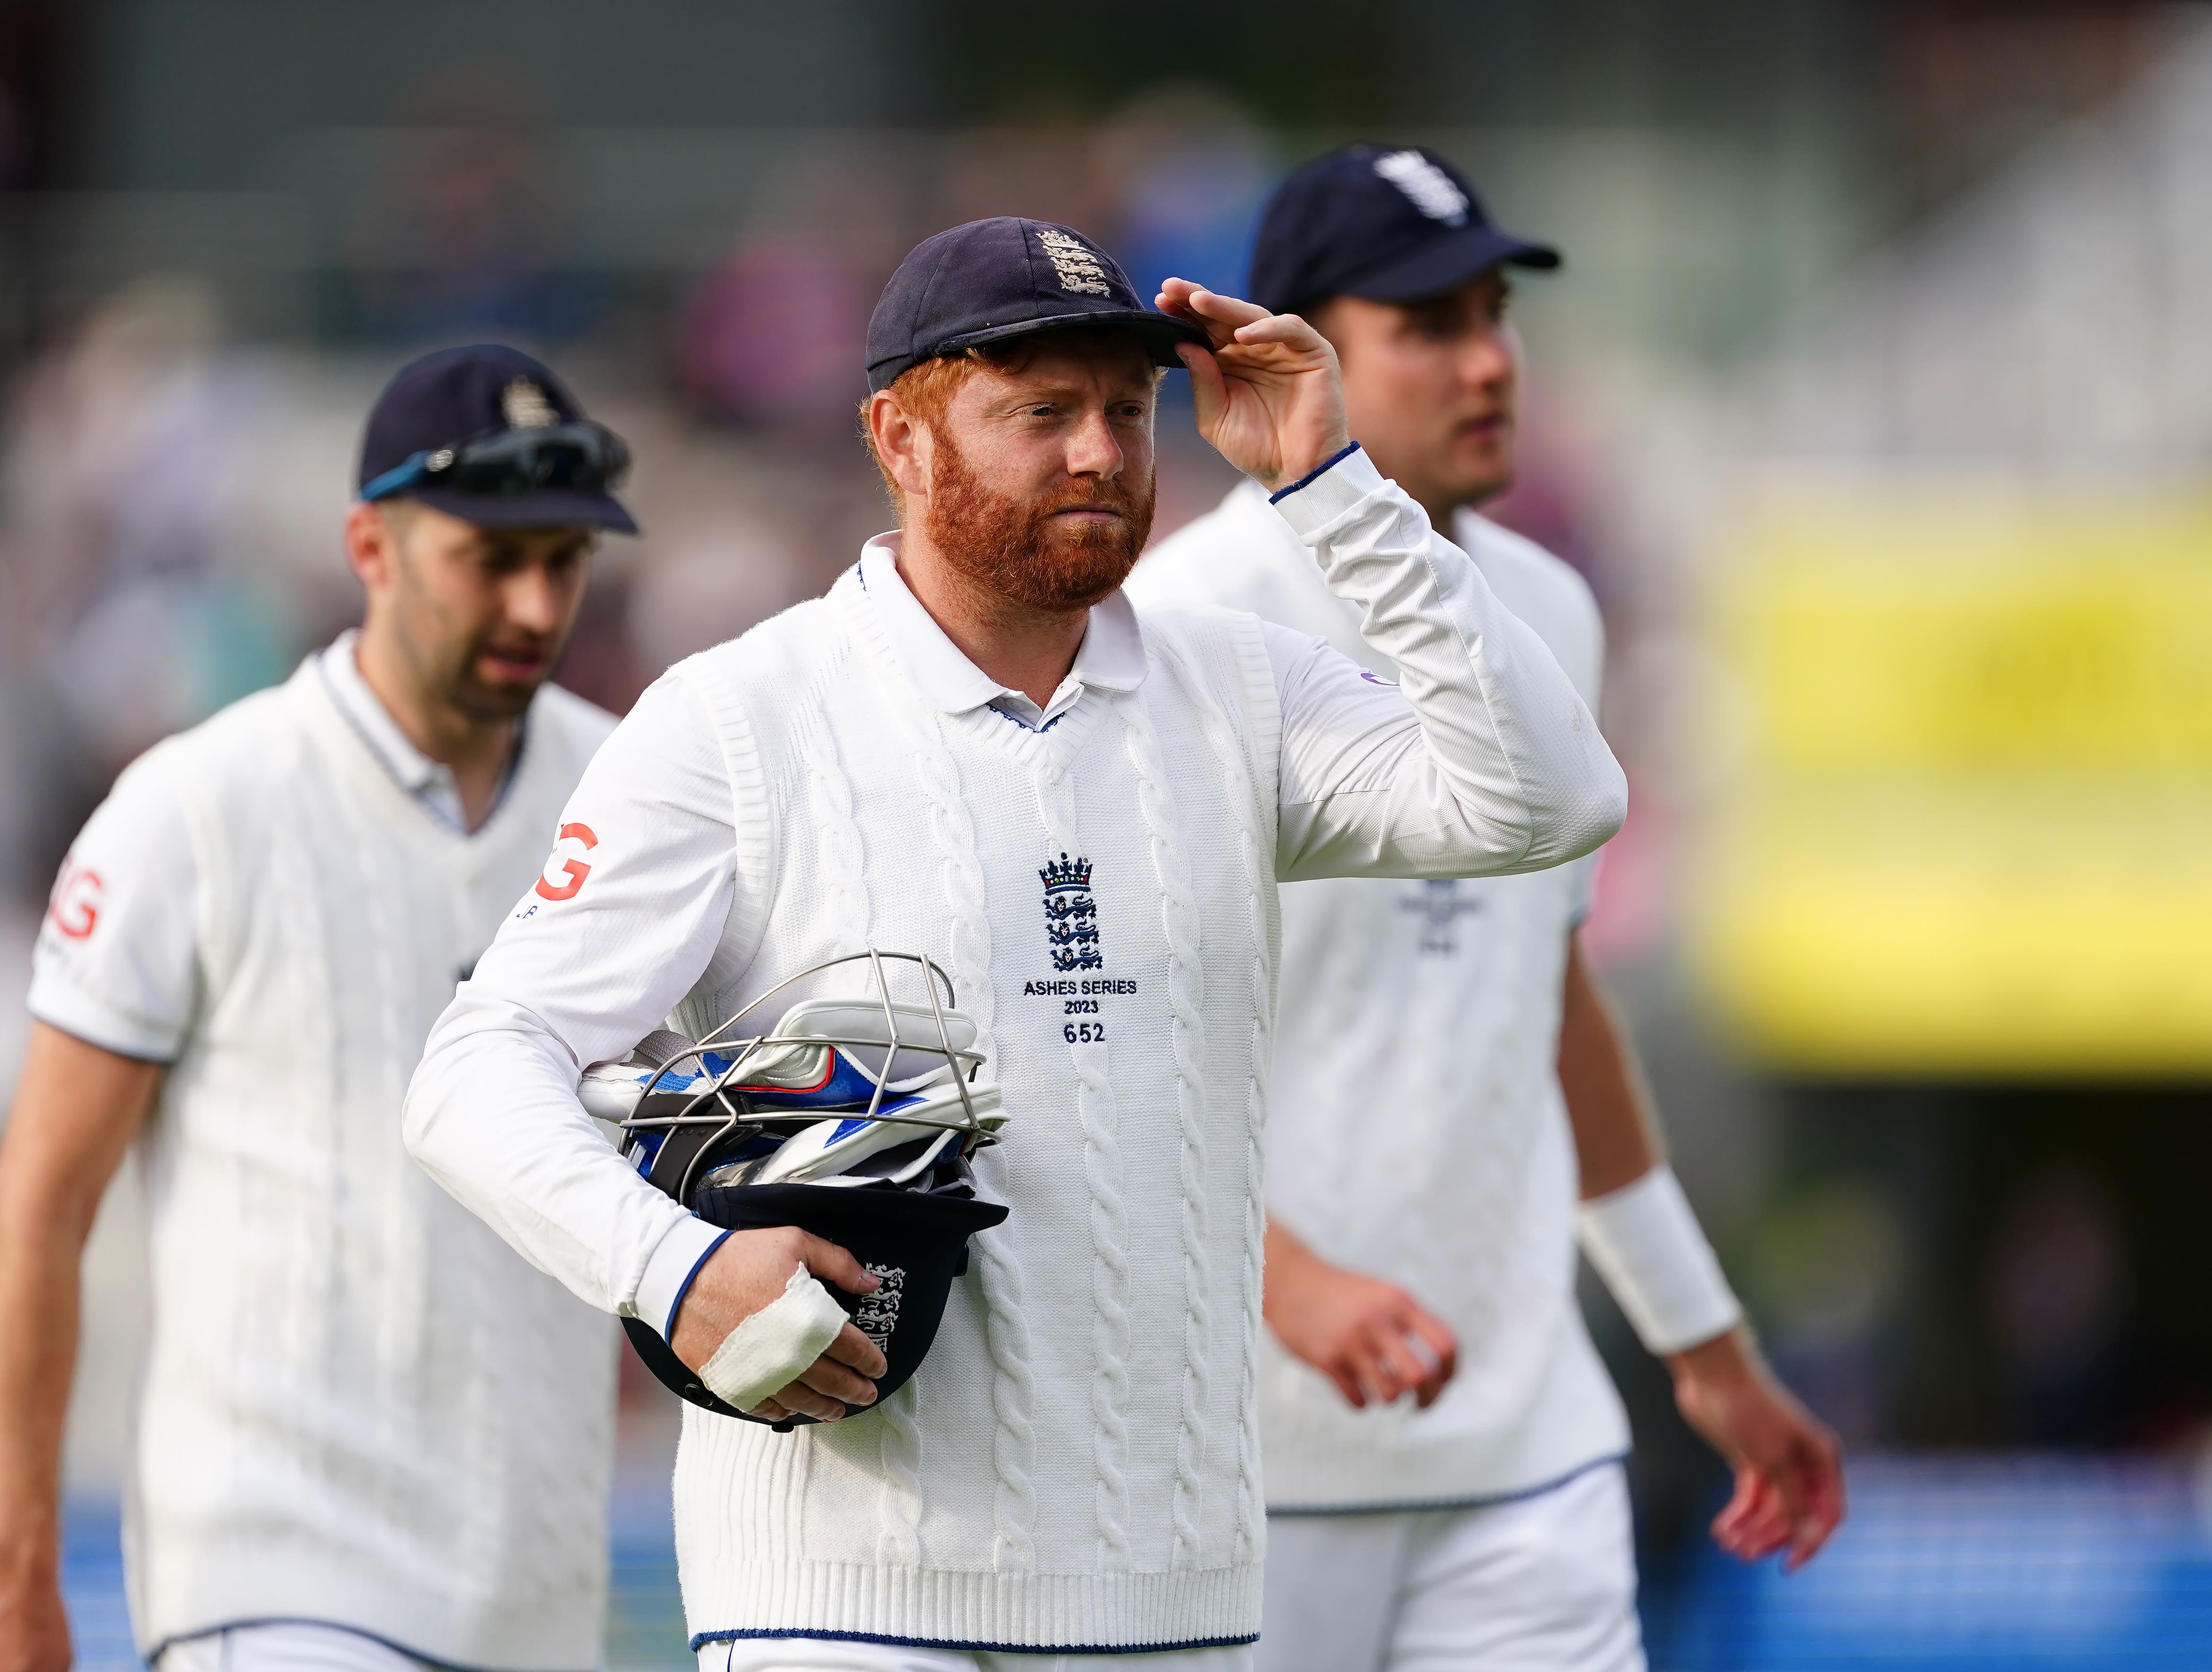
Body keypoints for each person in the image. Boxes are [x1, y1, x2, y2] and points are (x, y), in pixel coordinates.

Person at [402, 217, 1629, 1670]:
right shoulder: (736, 715)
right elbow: (475, 1072)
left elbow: (1553, 798)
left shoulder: (1244, 689)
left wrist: (1333, 487)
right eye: (1039, 413)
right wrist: (674, 1268)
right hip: (836, 1595)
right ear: (899, 439)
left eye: (1125, 406)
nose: (1100, 452)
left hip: (1174, 1596)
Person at [1129, 146, 1845, 1672]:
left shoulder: (1555, 607)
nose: (1487, 361)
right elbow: (1093, 1037)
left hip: (1528, 1456)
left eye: (1493, 313)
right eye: (1425, 324)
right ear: (1288, 350)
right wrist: (1285, 1279)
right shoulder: (1186, 623)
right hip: (1240, 1467)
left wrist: (1699, 1342)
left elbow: (1546, 987)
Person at [0, 346, 637, 1672]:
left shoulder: (632, 794)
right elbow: (36, 1205)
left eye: (566, 559)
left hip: (543, 1605)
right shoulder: (198, 807)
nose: (537, 602)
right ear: (367, 545)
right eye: (490, 559)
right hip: (275, 1585)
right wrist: (11, 1574)